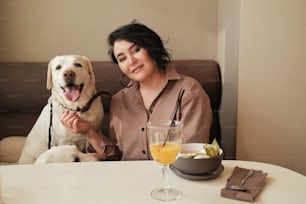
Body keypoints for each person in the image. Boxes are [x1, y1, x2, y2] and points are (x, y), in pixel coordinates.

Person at [61, 22, 212, 160]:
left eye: (136, 50)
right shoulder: (119, 100)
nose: (131, 61)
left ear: (152, 47)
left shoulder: (189, 90)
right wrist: (88, 131)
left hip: (174, 182)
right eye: (122, 58)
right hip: (128, 182)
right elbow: (114, 156)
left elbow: (193, 154)